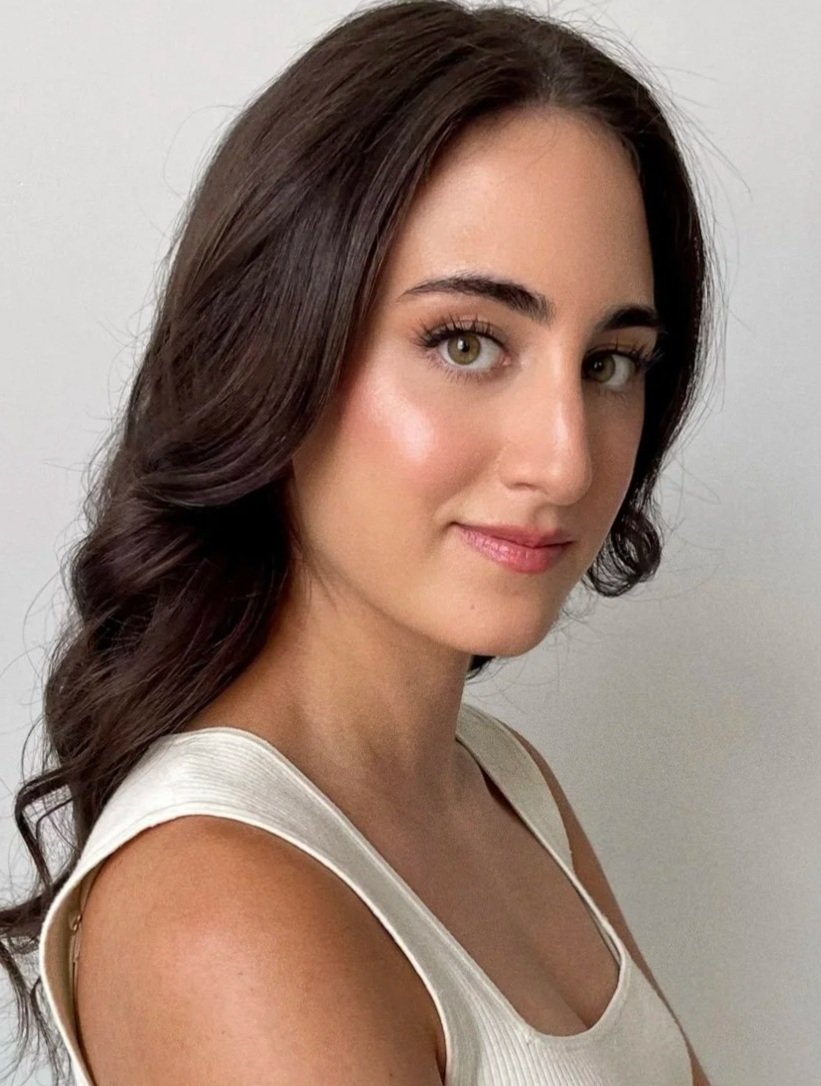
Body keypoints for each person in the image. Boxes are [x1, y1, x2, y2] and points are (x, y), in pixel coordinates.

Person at [1, 1, 717, 1083]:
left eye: (609, 360)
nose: (565, 460)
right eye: (467, 342)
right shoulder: (223, 904)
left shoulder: (504, 787)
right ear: (274, 353)